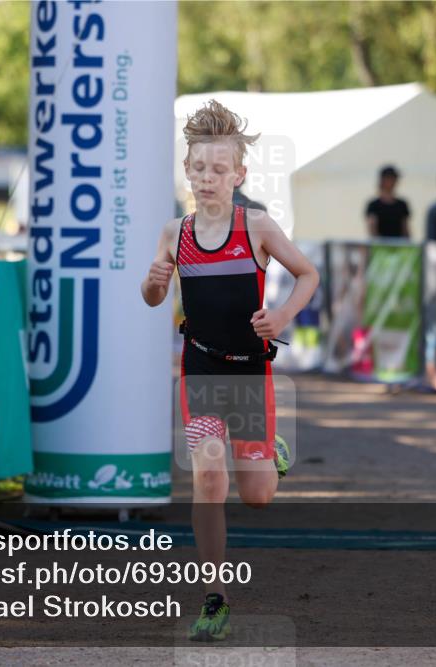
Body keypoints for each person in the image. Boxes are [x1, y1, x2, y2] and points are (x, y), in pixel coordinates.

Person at [141, 100, 318, 642]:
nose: (207, 179)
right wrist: (153, 280)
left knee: (258, 496)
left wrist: (284, 313)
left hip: (250, 375)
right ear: (188, 171)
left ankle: (272, 453)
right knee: (209, 477)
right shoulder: (175, 233)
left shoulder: (258, 227)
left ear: (239, 175)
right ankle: (215, 598)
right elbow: (152, 299)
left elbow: (307, 274)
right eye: (198, 169)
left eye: (219, 170)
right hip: (199, 371)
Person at [364, 165, 410, 239]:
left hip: (399, 246)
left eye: (395, 179)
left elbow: (405, 229)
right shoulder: (374, 205)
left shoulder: (402, 205)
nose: (394, 181)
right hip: (380, 247)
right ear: (383, 180)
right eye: (391, 178)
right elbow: (372, 229)